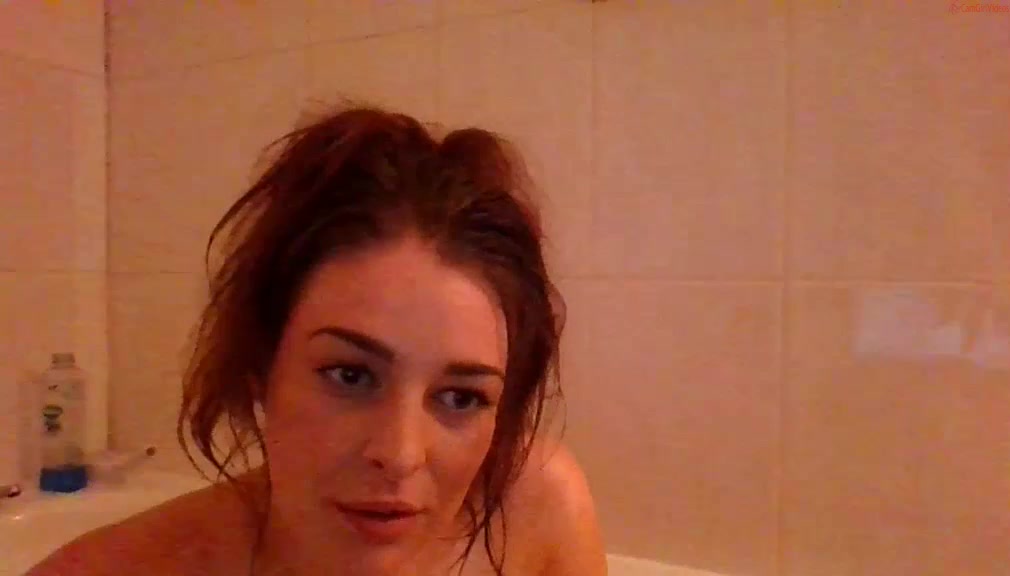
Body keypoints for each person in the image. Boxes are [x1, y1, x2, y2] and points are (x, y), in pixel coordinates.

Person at [28, 105, 607, 576]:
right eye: (351, 376)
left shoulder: (536, 512)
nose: (400, 454)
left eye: (461, 398)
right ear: (260, 367)